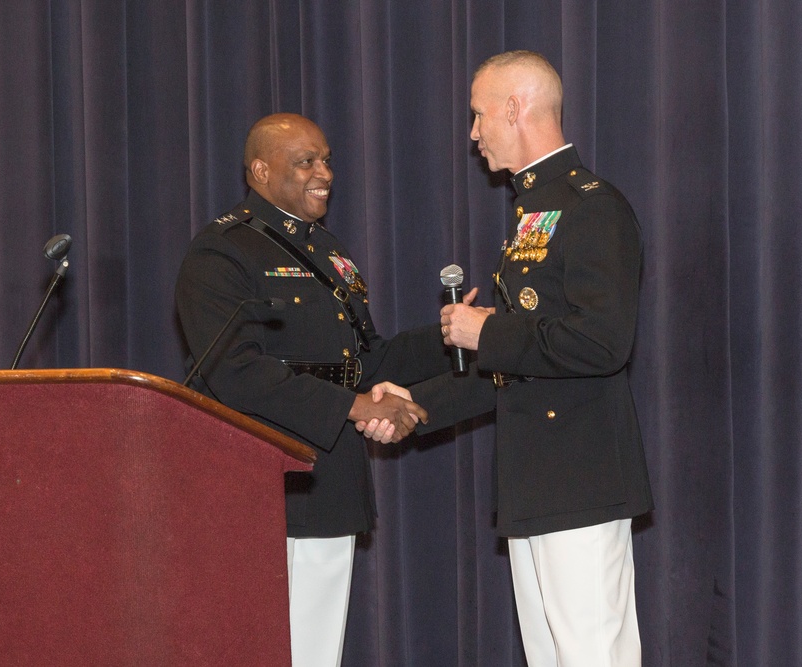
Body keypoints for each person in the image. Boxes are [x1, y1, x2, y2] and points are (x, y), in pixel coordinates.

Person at [363, 51, 653, 666]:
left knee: (592, 653)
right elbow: (510, 369)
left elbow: (602, 343)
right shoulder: (531, 213)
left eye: (478, 116)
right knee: (551, 656)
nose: (473, 134)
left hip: (581, 472)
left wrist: (483, 331)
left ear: (516, 109)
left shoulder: (592, 208)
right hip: (534, 476)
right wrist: (414, 406)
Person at [174, 113, 454, 667]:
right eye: (306, 161)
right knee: (259, 650)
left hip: (330, 480)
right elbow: (237, 372)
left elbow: (365, 360)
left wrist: (453, 334)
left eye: (326, 159)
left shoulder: (327, 252)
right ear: (260, 170)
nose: (324, 172)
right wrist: (356, 407)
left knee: (316, 652)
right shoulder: (221, 254)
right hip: (258, 481)